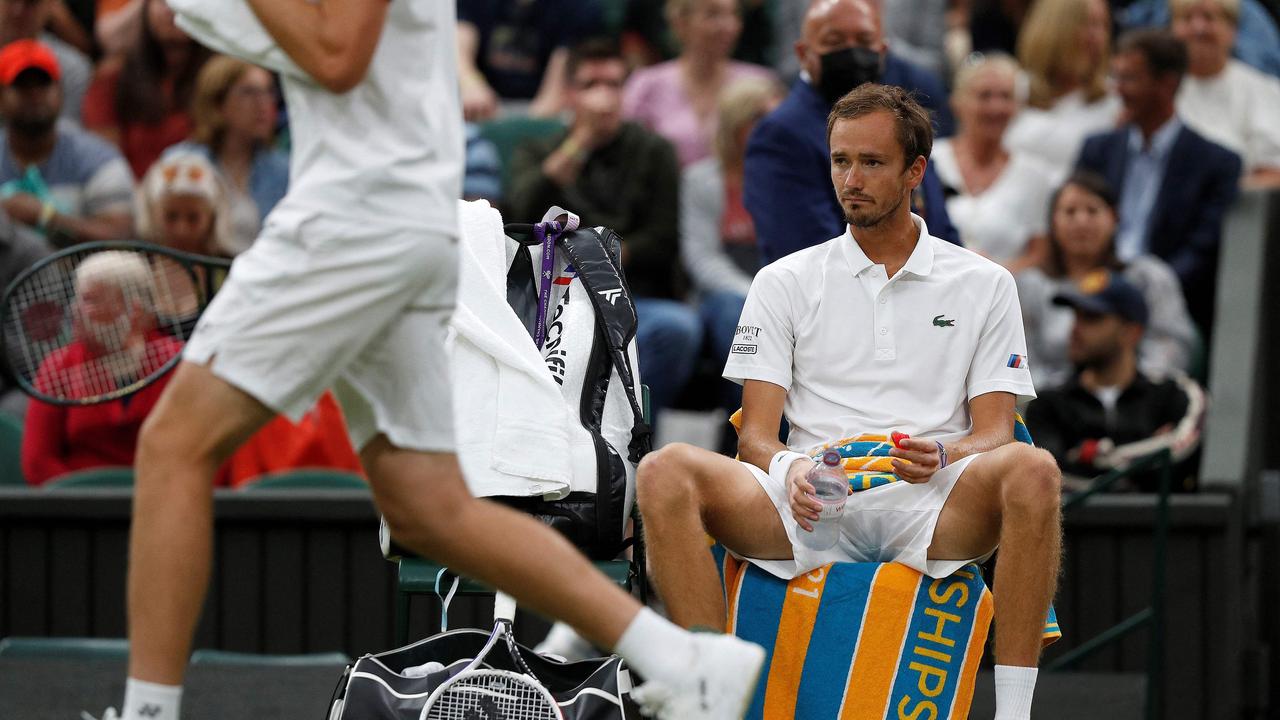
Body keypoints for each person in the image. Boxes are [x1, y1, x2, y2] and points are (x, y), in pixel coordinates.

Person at [95, 4, 763, 720]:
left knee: (173, 446)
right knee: (428, 507)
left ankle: (146, 714)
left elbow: (334, 55)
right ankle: (684, 662)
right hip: (399, 223)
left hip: (357, 219)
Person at [637, 84, 1060, 720]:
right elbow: (755, 437)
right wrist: (792, 470)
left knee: (1035, 470)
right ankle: (707, 701)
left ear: (916, 170)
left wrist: (947, 450)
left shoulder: (986, 283)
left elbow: (997, 432)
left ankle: (1016, 713)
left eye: (871, 162)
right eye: (840, 161)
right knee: (663, 471)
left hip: (929, 498)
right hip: (809, 501)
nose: (850, 179)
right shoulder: (781, 280)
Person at [508, 38, 701, 427]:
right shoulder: (540, 148)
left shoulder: (654, 150)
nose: (605, 97)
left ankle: (634, 435)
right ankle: (562, 435)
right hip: (556, 296)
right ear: (568, 94)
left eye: (614, 85)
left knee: (677, 328)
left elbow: (663, 239)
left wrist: (600, 259)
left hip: (634, 296)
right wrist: (581, 141)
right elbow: (520, 216)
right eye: (591, 85)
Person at [744, 0, 959, 266]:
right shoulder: (780, 136)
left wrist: (951, 278)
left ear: (882, 51)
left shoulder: (905, 122)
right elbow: (808, 256)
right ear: (803, 53)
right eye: (835, 41)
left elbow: (940, 227)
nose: (852, 51)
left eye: (863, 39)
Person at [1075, 29, 1241, 336]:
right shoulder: (1097, 150)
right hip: (1092, 293)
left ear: (1167, 84)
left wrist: (1145, 290)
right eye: (1117, 77)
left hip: (1169, 307)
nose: (1119, 90)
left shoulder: (1216, 163)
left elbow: (1202, 251)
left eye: (1130, 79)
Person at [1025, 272, 1205, 492]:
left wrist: (1093, 455)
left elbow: (1184, 448)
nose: (1075, 329)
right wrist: (1150, 452)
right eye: (1076, 316)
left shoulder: (1175, 393)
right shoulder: (1046, 403)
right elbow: (1048, 473)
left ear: (1131, 332)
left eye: (1091, 318)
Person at [1017, 172, 1196, 390]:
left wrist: (1133, 394)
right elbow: (1020, 360)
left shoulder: (1148, 277)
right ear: (1052, 222)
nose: (1081, 222)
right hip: (1051, 409)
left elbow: (1170, 345)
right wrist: (1063, 400)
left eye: (1092, 211)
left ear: (1114, 218)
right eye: (1070, 212)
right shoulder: (1028, 285)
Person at [22, 251, 182, 485]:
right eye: (77, 299)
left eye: (90, 300)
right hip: (79, 511)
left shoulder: (178, 361)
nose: (75, 310)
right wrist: (85, 500)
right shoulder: (58, 367)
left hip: (165, 500)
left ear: (133, 309)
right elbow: (38, 462)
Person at [681, 75, 783, 414]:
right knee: (735, 316)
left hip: (782, 292)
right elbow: (701, 259)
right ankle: (749, 424)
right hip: (725, 294)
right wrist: (754, 293)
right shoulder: (701, 180)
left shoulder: (791, 181)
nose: (772, 129)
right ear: (734, 125)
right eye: (759, 120)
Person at [0, 40, 135, 246]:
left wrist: (47, 217)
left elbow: (123, 237)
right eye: (22, 86)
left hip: (78, 277)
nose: (34, 95)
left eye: (43, 84)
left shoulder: (98, 159)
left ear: (61, 93)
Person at [932, 52, 1058, 268]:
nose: (996, 107)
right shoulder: (929, 160)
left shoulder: (1034, 175)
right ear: (957, 103)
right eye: (985, 96)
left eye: (1006, 97)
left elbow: (1039, 255)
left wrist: (992, 275)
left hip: (1003, 291)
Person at [621, 0, 776, 168]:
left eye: (734, 14)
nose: (728, 26)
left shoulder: (760, 83)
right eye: (713, 15)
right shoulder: (645, 85)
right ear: (680, 23)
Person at [166, 55, 289, 253]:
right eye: (249, 92)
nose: (264, 104)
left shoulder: (284, 171)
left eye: (268, 93)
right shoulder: (180, 164)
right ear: (217, 103)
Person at [82, 0, 210, 178]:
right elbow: (103, 158)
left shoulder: (219, 79)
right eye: (162, 2)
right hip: (131, 193)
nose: (171, 10)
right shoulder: (113, 77)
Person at [1002, 0, 1120, 175]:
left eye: (1104, 26)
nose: (1099, 36)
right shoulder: (1009, 89)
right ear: (1056, 29)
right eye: (1089, 24)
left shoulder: (1115, 100)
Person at [1171, 0, 1280, 186]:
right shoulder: (1156, 88)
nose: (1198, 28)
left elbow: (1273, 174)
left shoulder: (1264, 90)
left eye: (1209, 17)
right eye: (1187, 18)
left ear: (1232, 29)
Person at [456, 0, 604, 121]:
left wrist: (519, 129)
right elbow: (459, 42)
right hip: (482, 108)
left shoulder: (580, 6)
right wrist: (470, 83)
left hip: (546, 112)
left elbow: (553, 98)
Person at [0, 0, 91, 123]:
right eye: (11, 1)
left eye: (31, 3)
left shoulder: (72, 69)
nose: (18, 11)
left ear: (50, 7)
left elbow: (69, 135)